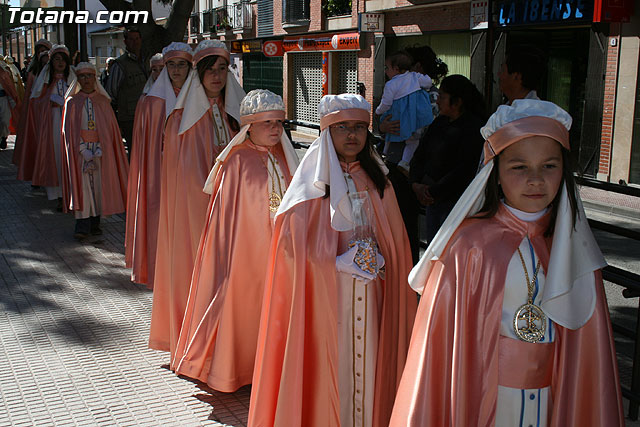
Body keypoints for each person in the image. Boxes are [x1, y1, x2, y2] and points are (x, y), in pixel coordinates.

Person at [389, 99, 624, 426]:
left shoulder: (575, 247)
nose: (535, 179)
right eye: (519, 167)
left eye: (549, 166)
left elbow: (586, 356)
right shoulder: (468, 246)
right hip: (484, 396)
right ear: (496, 173)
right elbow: (442, 350)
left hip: (552, 399)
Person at [248, 94, 417, 427]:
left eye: (358, 127)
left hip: (372, 294)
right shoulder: (310, 184)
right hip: (327, 298)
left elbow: (397, 241)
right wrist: (335, 262)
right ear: (327, 132)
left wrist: (384, 260)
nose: (351, 134)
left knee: (371, 362)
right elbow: (290, 249)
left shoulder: (380, 181)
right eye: (342, 127)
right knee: (332, 366)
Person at [173, 89, 299, 392]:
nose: (275, 129)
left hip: (283, 248)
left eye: (278, 122)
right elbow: (227, 218)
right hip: (247, 251)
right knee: (245, 305)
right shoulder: (237, 161)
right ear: (249, 127)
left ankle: (273, 366)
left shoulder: (285, 157)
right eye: (267, 122)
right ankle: (238, 368)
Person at [148, 39, 245, 361]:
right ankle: (198, 342)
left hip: (236, 211)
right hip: (200, 213)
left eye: (222, 69)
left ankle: (231, 342)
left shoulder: (237, 116)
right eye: (210, 70)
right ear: (198, 74)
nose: (216, 76)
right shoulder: (181, 119)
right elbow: (186, 178)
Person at [125, 42, 192, 288]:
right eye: (171, 65)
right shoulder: (152, 102)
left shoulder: (198, 97)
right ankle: (162, 270)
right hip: (161, 171)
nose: (176, 70)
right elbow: (147, 145)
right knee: (161, 218)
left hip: (190, 171)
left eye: (181, 65)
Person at [410, 75, 486, 244]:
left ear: (457, 102)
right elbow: (419, 155)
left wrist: (433, 191)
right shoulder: (439, 123)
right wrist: (416, 184)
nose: (437, 101)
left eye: (442, 97)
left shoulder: (474, 128)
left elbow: (464, 169)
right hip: (432, 200)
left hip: (455, 203)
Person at [60, 62, 129, 240]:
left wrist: (100, 147)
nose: (86, 80)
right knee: (83, 187)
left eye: (89, 76)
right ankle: (82, 224)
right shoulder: (72, 103)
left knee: (98, 187)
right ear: (78, 79)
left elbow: (108, 129)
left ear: (94, 78)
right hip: (80, 152)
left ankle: (95, 223)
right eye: (82, 76)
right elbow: (69, 130)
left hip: (99, 151)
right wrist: (82, 149)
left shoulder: (103, 102)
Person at [18, 45, 75, 208]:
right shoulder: (46, 81)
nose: (60, 63)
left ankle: (72, 193)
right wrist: (50, 101)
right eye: (57, 59)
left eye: (63, 60)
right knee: (56, 156)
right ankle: (59, 195)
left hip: (71, 124)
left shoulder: (72, 79)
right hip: (53, 124)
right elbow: (36, 102)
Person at [375, 50, 433, 174]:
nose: (385, 71)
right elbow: (428, 82)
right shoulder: (415, 77)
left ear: (396, 69)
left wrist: (378, 111)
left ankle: (384, 154)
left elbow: (386, 103)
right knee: (412, 141)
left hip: (397, 116)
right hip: (413, 118)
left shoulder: (390, 84)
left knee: (391, 134)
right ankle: (405, 162)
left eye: (387, 68)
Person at [105, 27, 148, 156]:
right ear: (125, 41)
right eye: (131, 39)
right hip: (130, 118)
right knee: (135, 153)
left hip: (148, 115)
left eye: (137, 39)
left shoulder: (148, 61)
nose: (135, 42)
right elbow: (110, 95)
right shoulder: (119, 65)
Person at [13, 39, 51, 166]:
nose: (42, 54)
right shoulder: (33, 72)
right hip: (35, 110)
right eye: (39, 52)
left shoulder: (54, 72)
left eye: (44, 51)